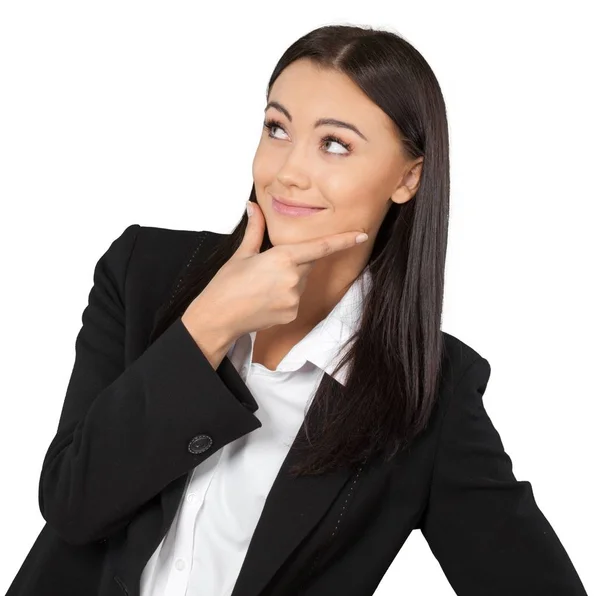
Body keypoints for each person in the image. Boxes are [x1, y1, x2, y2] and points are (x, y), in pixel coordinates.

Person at [6, 23, 588, 596]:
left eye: (335, 144)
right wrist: (208, 327)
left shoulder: (430, 392)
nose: (287, 171)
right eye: (277, 128)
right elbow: (72, 505)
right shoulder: (144, 274)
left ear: (408, 177)